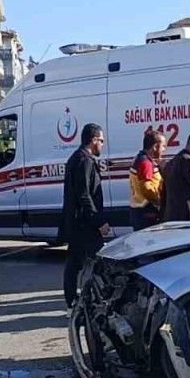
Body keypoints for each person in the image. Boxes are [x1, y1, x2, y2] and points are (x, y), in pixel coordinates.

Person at [59, 123, 109, 308]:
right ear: (93, 140)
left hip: (79, 222)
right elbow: (84, 195)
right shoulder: (84, 161)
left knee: (76, 262)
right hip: (83, 224)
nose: (102, 144)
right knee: (99, 261)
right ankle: (80, 301)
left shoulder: (79, 158)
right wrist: (98, 222)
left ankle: (75, 300)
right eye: (101, 140)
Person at [129, 127, 166, 230]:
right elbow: (147, 188)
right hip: (147, 213)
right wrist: (160, 203)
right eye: (163, 146)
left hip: (140, 211)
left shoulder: (140, 158)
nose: (164, 150)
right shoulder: (145, 163)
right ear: (155, 147)